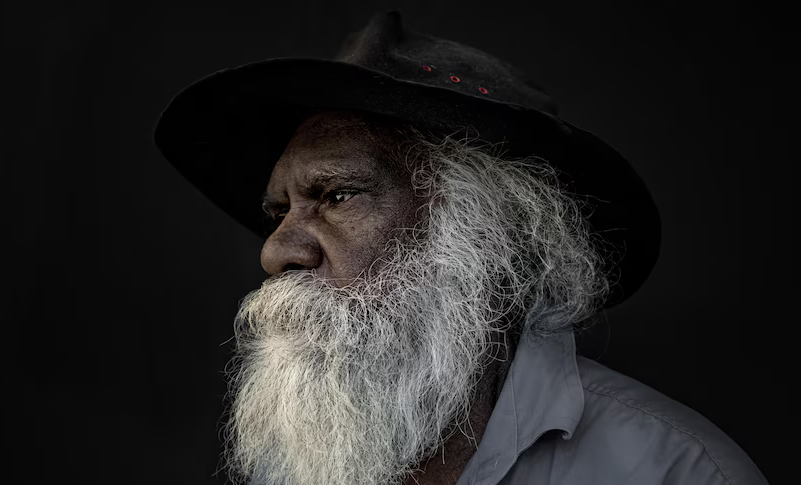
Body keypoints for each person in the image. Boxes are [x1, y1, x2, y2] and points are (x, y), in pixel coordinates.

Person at [153, 10, 768, 485]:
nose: (276, 252)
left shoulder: (675, 470)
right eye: (279, 211)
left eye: (338, 196)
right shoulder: (294, 464)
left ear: (487, 236)